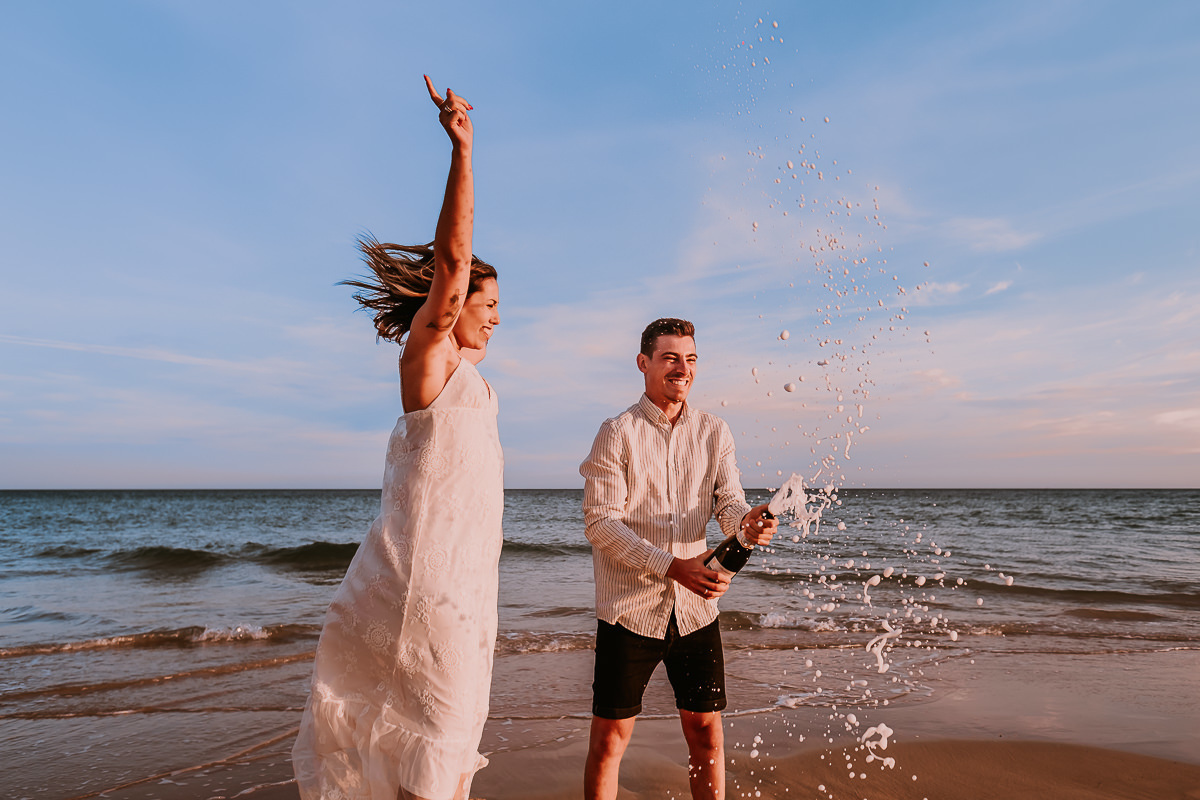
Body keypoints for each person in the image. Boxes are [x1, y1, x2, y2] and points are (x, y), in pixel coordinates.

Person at [292, 76, 502, 800]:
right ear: (450, 305)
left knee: (441, 748)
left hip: (464, 594)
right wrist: (462, 153)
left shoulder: (469, 378)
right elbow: (451, 260)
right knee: (426, 751)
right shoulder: (429, 361)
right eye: (488, 303)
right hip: (417, 590)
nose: (497, 318)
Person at [579, 318, 778, 800]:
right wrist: (673, 567)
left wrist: (747, 522)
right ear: (644, 364)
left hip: (696, 614)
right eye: (670, 358)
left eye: (690, 359)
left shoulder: (714, 431)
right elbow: (601, 524)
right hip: (629, 611)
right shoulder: (616, 433)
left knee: (706, 734)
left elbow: (727, 504)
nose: (682, 369)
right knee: (610, 739)